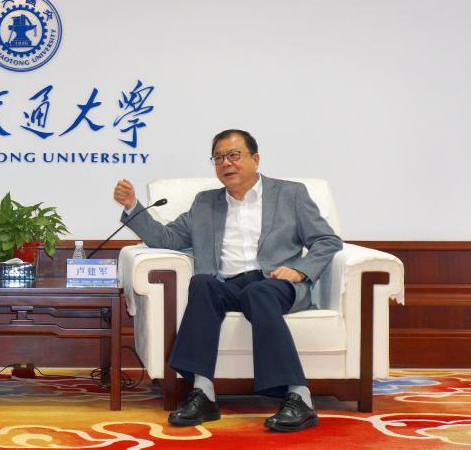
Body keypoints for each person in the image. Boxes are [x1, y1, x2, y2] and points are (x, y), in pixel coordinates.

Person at [113, 129, 342, 433]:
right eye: (218, 157)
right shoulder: (205, 203)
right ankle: (203, 393)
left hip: (275, 282)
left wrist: (299, 270)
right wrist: (132, 206)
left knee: (259, 292)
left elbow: (327, 240)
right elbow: (166, 238)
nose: (226, 163)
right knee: (202, 284)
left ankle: (299, 397)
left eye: (234, 155)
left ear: (255, 159)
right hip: (229, 285)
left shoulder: (291, 194)